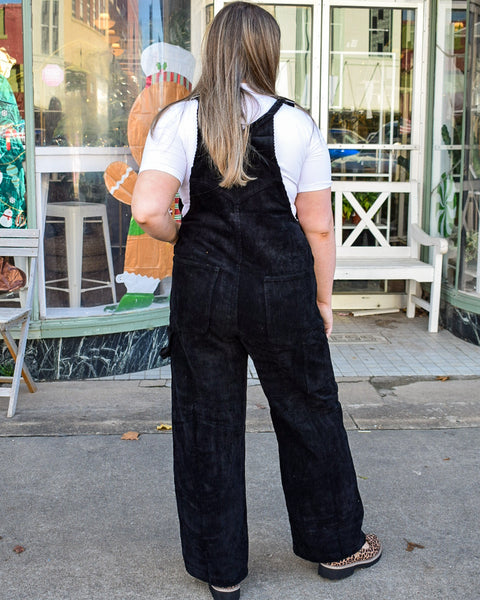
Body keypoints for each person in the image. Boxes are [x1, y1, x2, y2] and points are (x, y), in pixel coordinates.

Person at [132, 3, 382, 598]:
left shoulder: (177, 120)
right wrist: (323, 300)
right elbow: (319, 228)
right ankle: (339, 545)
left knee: (206, 421)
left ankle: (223, 571)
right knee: (308, 409)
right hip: (281, 289)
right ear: (268, 52)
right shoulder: (296, 123)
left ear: (215, 49)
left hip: (204, 291)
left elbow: (147, 211)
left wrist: (177, 232)